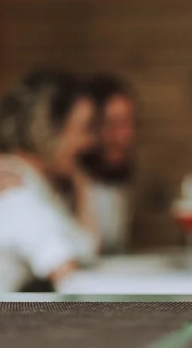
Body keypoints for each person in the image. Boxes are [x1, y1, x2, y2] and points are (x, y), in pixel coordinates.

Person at [0, 70, 98, 292]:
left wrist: (82, 182)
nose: (89, 142)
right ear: (49, 130)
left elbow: (85, 248)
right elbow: (72, 281)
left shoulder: (35, 184)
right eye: (83, 129)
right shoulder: (8, 182)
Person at [78, 73, 136, 254]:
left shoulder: (118, 180)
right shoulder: (69, 186)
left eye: (129, 123)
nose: (125, 136)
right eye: (113, 124)